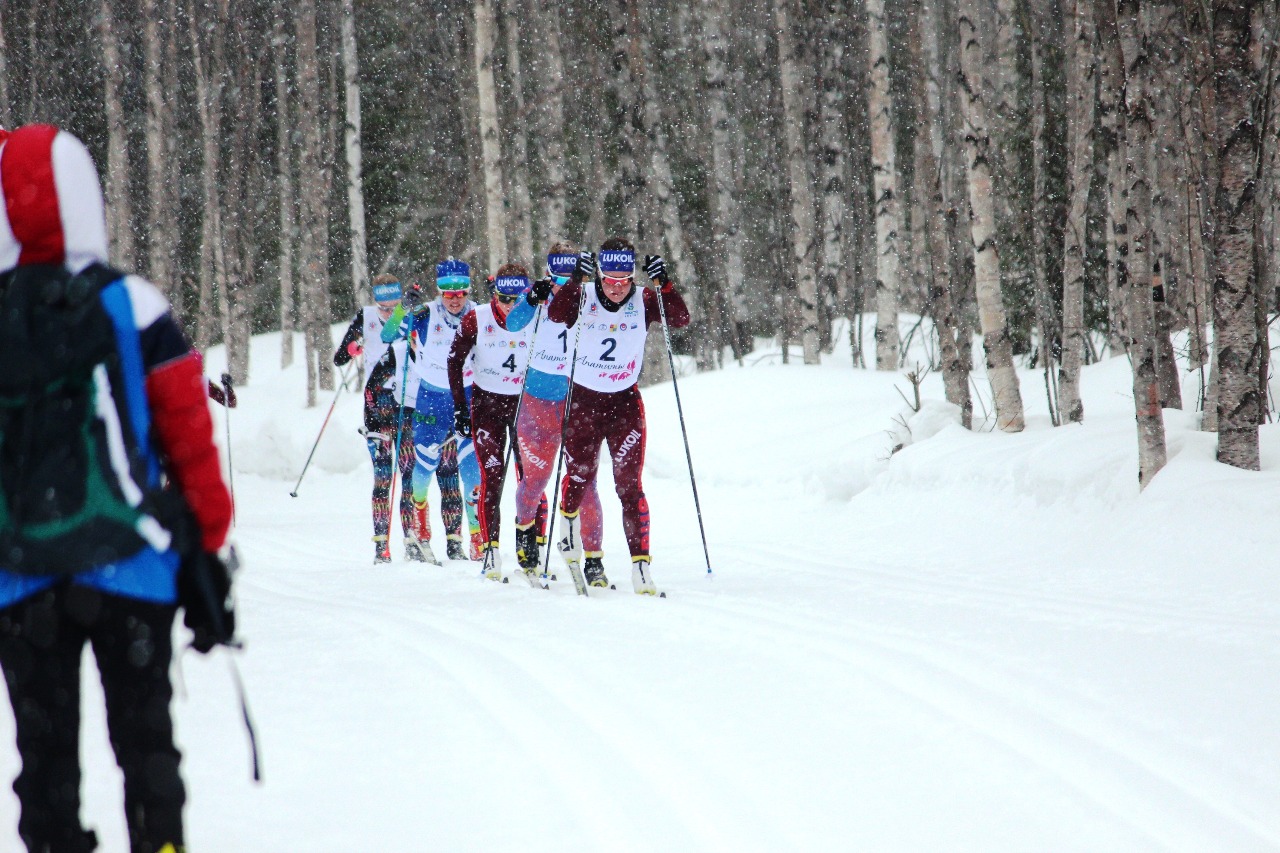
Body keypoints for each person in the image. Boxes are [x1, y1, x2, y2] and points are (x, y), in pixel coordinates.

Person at [0, 124, 233, 853]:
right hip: (132, 563)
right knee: (146, 746)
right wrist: (207, 542)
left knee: (44, 764)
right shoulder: (131, 301)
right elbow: (188, 434)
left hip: (20, 576)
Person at [546, 238, 690, 594]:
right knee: (580, 475)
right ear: (599, 274)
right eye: (608, 279)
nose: (614, 287)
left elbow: (680, 319)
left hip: (624, 404)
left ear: (631, 276)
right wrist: (574, 281)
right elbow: (556, 315)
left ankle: (641, 567)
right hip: (583, 401)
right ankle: (567, 528)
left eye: (623, 280)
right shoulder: (584, 294)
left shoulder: (642, 298)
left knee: (629, 485)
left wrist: (665, 284)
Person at [505, 242, 603, 579]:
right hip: (537, 402)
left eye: (567, 275)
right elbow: (513, 324)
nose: (560, 283)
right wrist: (532, 299)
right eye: (555, 275)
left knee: (585, 481)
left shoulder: (587, 293)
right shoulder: (537, 292)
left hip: (578, 400)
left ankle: (593, 557)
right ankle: (524, 531)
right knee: (536, 480)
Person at [447, 263, 547, 580]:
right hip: (487, 404)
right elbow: (454, 359)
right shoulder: (477, 317)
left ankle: (532, 547)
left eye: (517, 298)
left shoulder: (536, 312)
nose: (510, 305)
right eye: (504, 297)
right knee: (492, 477)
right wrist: (460, 407)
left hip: (526, 405)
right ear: (495, 294)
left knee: (531, 478)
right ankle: (491, 549)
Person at [334, 272, 425, 564]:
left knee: (409, 473)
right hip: (376, 402)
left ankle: (410, 538)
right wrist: (353, 349)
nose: (387, 312)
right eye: (383, 307)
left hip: (407, 402)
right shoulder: (367, 316)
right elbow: (339, 358)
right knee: (383, 476)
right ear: (375, 302)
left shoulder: (410, 314)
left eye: (393, 305)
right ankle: (380, 546)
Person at [409, 259, 485, 561]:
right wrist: (405, 308)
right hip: (431, 398)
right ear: (439, 292)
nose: (455, 300)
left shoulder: (479, 312)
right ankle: (420, 514)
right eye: (448, 294)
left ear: (467, 291)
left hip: (466, 397)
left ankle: (477, 535)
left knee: (472, 471)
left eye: (461, 293)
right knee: (426, 464)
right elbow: (390, 334)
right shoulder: (426, 313)